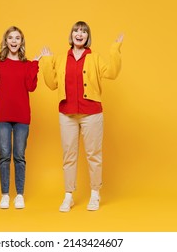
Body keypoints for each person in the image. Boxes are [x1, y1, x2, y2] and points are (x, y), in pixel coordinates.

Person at [40, 21, 123, 212]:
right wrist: (45, 61)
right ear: (71, 35)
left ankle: (95, 193)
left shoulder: (95, 58)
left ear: (87, 37)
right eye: (76, 30)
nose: (79, 34)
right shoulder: (60, 59)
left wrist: (115, 49)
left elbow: (112, 73)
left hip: (91, 113)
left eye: (83, 31)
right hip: (67, 113)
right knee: (69, 155)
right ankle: (68, 196)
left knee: (93, 155)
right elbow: (52, 84)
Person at [0, 26, 40, 209]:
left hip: (22, 116)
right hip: (3, 116)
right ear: (5, 41)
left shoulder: (27, 64)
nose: (14, 41)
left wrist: (35, 64)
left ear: (21, 42)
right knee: (4, 156)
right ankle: (5, 195)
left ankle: (19, 195)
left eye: (17, 38)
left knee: (19, 156)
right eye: (10, 38)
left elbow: (31, 87)